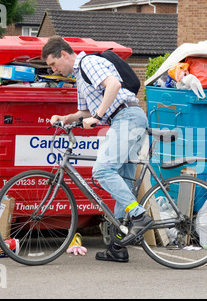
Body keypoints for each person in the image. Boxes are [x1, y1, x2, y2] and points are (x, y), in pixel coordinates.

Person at [42, 36, 153, 262]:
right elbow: (85, 112)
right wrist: (65, 118)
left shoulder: (87, 63)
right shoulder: (79, 78)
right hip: (126, 120)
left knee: (102, 171)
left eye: (53, 64)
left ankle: (139, 216)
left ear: (64, 54)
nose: (53, 70)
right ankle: (118, 247)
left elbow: (113, 85)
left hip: (127, 118)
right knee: (123, 183)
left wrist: (99, 116)